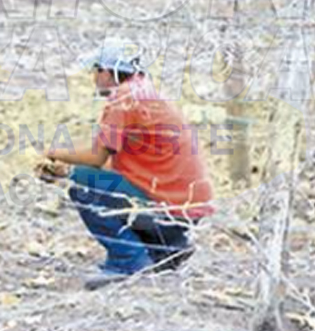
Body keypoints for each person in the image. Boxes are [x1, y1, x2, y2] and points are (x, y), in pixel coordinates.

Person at [35, 40, 214, 290]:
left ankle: (129, 261)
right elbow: (118, 172)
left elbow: (97, 158)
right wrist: (68, 171)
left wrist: (55, 153)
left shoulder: (122, 99)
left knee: (84, 189)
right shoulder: (144, 91)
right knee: (88, 180)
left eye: (96, 70)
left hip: (167, 209)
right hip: (186, 210)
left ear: (108, 72)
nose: (94, 77)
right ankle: (166, 249)